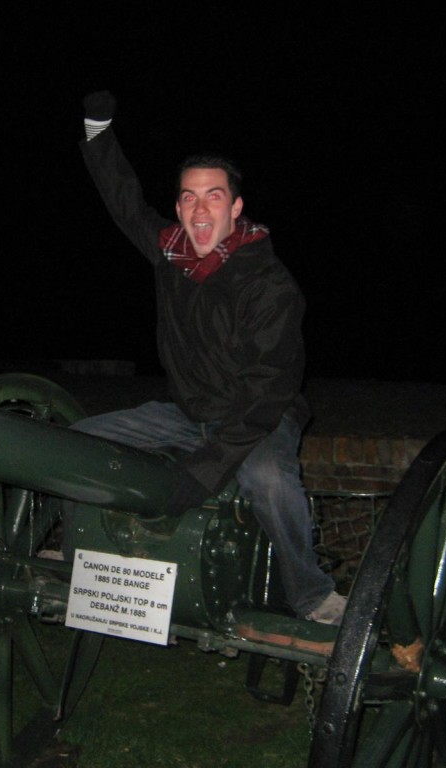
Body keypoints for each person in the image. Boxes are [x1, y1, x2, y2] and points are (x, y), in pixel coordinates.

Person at [73, 91, 347, 625]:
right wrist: (98, 134)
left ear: (236, 207)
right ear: (178, 207)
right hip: (185, 413)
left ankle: (313, 593)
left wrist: (203, 473)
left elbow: (268, 390)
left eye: (214, 196)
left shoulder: (270, 285)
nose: (201, 209)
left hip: (259, 418)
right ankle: (69, 556)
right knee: (75, 442)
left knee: (267, 480)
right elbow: (123, 199)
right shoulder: (168, 253)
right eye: (189, 198)